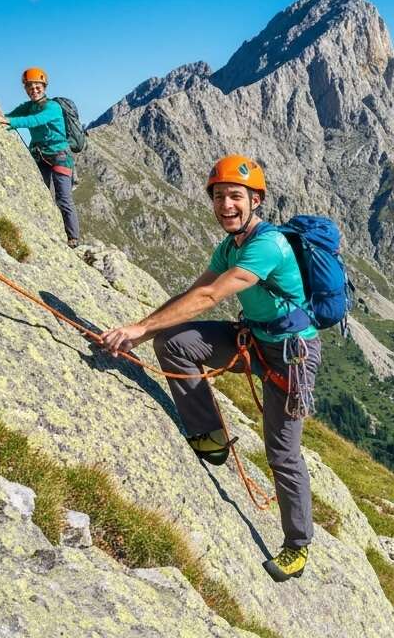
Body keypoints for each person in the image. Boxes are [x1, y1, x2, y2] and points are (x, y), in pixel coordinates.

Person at [98, 154, 320, 582]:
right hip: (255, 340)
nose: (226, 206)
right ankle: (212, 437)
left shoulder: (267, 245)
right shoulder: (230, 246)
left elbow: (209, 297)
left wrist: (139, 329)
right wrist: (145, 330)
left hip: (293, 357)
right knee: (174, 342)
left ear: (256, 200)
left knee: (282, 453)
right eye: (219, 197)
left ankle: (297, 546)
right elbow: (195, 289)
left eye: (235, 196)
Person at [0, 67, 80, 246]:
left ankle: (73, 238)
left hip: (60, 157)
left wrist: (10, 122)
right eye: (30, 87)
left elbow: (35, 120)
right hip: (41, 156)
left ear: (44, 86)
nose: (34, 90)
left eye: (37, 86)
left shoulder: (52, 107)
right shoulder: (29, 106)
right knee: (39, 195)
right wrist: (2, 120)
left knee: (63, 198)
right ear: (26, 89)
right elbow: (11, 116)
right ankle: (46, 229)